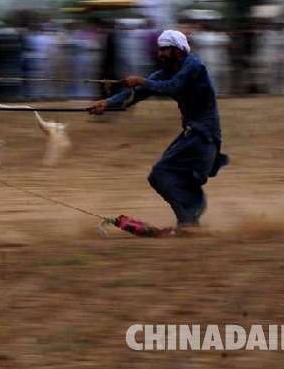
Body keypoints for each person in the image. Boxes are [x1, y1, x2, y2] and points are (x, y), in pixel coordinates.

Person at [88, 30, 228, 230]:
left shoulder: (194, 66)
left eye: (165, 49)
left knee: (161, 174)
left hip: (202, 135)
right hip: (194, 134)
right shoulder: (166, 72)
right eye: (159, 49)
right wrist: (106, 104)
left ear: (178, 50)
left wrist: (141, 81)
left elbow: (172, 87)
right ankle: (189, 221)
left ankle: (188, 222)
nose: (160, 54)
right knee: (162, 175)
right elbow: (137, 93)